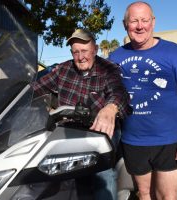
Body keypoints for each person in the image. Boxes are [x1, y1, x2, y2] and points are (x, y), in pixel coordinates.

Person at [108, 2, 177, 200]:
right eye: (134, 20)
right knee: (144, 194)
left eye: (145, 20)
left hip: (168, 141)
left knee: (166, 197)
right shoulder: (116, 56)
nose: (140, 26)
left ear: (153, 22)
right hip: (132, 141)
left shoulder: (173, 53)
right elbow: (108, 93)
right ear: (124, 24)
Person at [33, 28, 132, 200]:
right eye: (76, 52)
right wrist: (9, 95)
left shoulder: (109, 69)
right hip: (68, 133)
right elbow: (34, 89)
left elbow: (119, 93)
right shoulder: (62, 70)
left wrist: (110, 109)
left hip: (98, 131)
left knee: (102, 173)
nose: (80, 57)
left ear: (95, 49)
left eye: (84, 51)